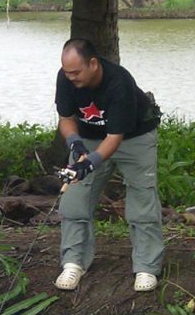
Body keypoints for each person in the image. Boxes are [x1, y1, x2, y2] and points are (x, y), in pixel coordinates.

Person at [53, 38, 164, 292]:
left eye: (76, 72)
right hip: (89, 137)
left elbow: (114, 138)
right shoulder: (65, 78)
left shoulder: (119, 81)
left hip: (134, 137)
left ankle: (146, 267)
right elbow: (66, 118)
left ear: (93, 64)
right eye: (67, 72)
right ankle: (74, 262)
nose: (71, 78)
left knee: (142, 199)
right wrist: (75, 145)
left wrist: (90, 163)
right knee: (73, 199)